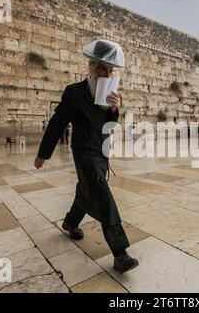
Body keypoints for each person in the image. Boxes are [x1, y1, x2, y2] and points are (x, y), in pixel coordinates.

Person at [34, 40, 139, 274]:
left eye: (110, 70)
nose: (106, 73)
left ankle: (70, 222)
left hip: (101, 152)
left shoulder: (109, 94)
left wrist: (114, 109)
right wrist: (43, 154)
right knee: (101, 191)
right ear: (92, 66)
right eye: (102, 68)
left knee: (86, 189)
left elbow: (110, 127)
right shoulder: (74, 92)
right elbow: (57, 123)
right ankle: (120, 253)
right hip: (83, 152)